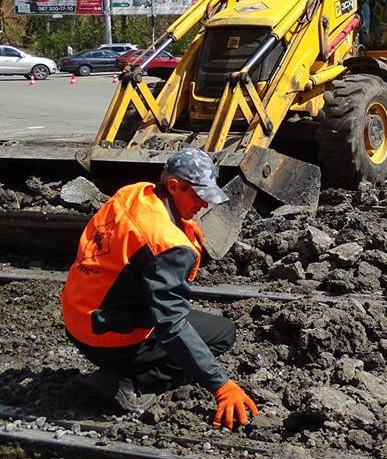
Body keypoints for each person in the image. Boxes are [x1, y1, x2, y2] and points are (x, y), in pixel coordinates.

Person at [61, 148, 259, 429]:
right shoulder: (165, 243)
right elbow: (172, 326)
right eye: (199, 195)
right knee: (222, 335)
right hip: (105, 338)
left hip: (78, 317)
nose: (204, 204)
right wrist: (221, 385)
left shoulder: (134, 193)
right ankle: (131, 384)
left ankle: (121, 368)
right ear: (174, 186)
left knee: (194, 325)